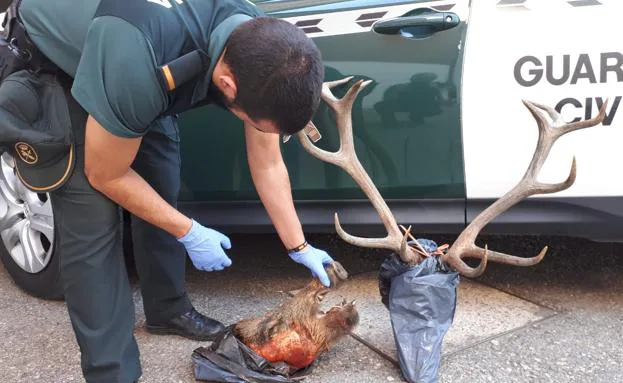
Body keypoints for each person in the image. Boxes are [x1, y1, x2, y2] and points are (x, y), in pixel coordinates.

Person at [1, 0, 335, 381]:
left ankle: (167, 309)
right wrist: (188, 231)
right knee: (91, 224)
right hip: (64, 65)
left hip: (138, 61)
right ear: (228, 84)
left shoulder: (258, 42)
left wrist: (299, 246)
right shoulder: (137, 63)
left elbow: (269, 162)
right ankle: (112, 372)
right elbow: (106, 175)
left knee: (159, 177)